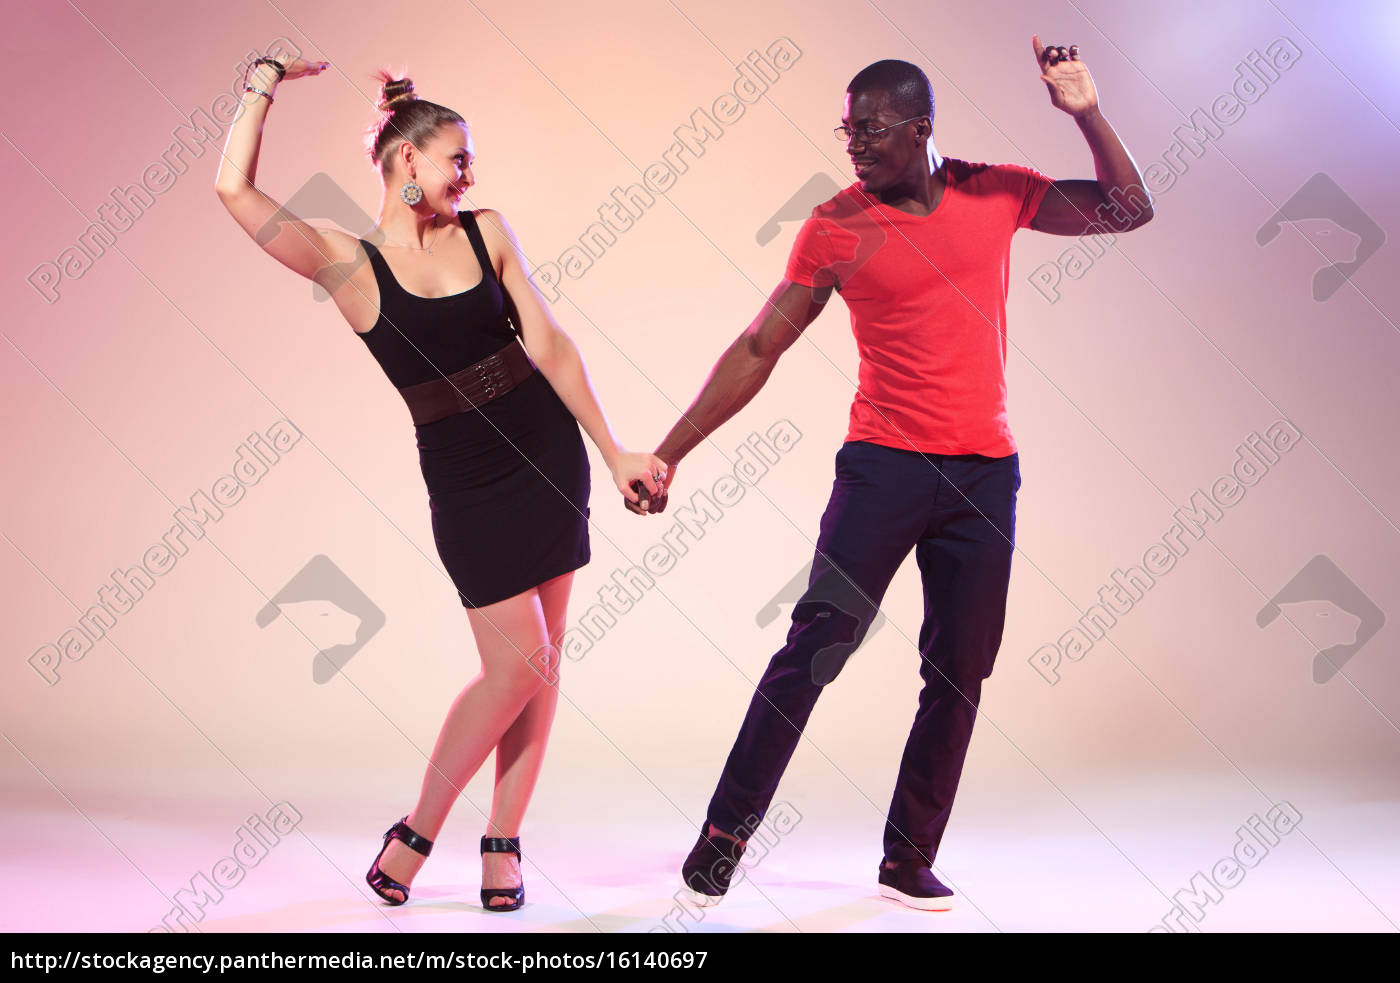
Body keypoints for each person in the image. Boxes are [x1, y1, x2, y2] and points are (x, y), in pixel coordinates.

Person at [629, 41, 1153, 910]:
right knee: (815, 648)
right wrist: (671, 449)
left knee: (959, 671)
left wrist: (1087, 115)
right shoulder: (835, 225)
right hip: (883, 469)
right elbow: (761, 345)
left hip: (985, 476)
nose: (855, 146)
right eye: (848, 131)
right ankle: (725, 833)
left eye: (871, 132)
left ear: (921, 129)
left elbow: (1128, 209)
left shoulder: (1000, 191)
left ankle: (907, 857)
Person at [215, 55, 668, 912]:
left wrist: (611, 452)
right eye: (457, 157)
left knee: (544, 660)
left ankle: (502, 843)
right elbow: (235, 192)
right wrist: (262, 82)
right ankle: (417, 830)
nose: (470, 172)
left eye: (469, 158)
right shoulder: (350, 265)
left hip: (548, 455)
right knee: (518, 663)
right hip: (466, 480)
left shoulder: (487, 231)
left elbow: (551, 344)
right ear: (406, 163)